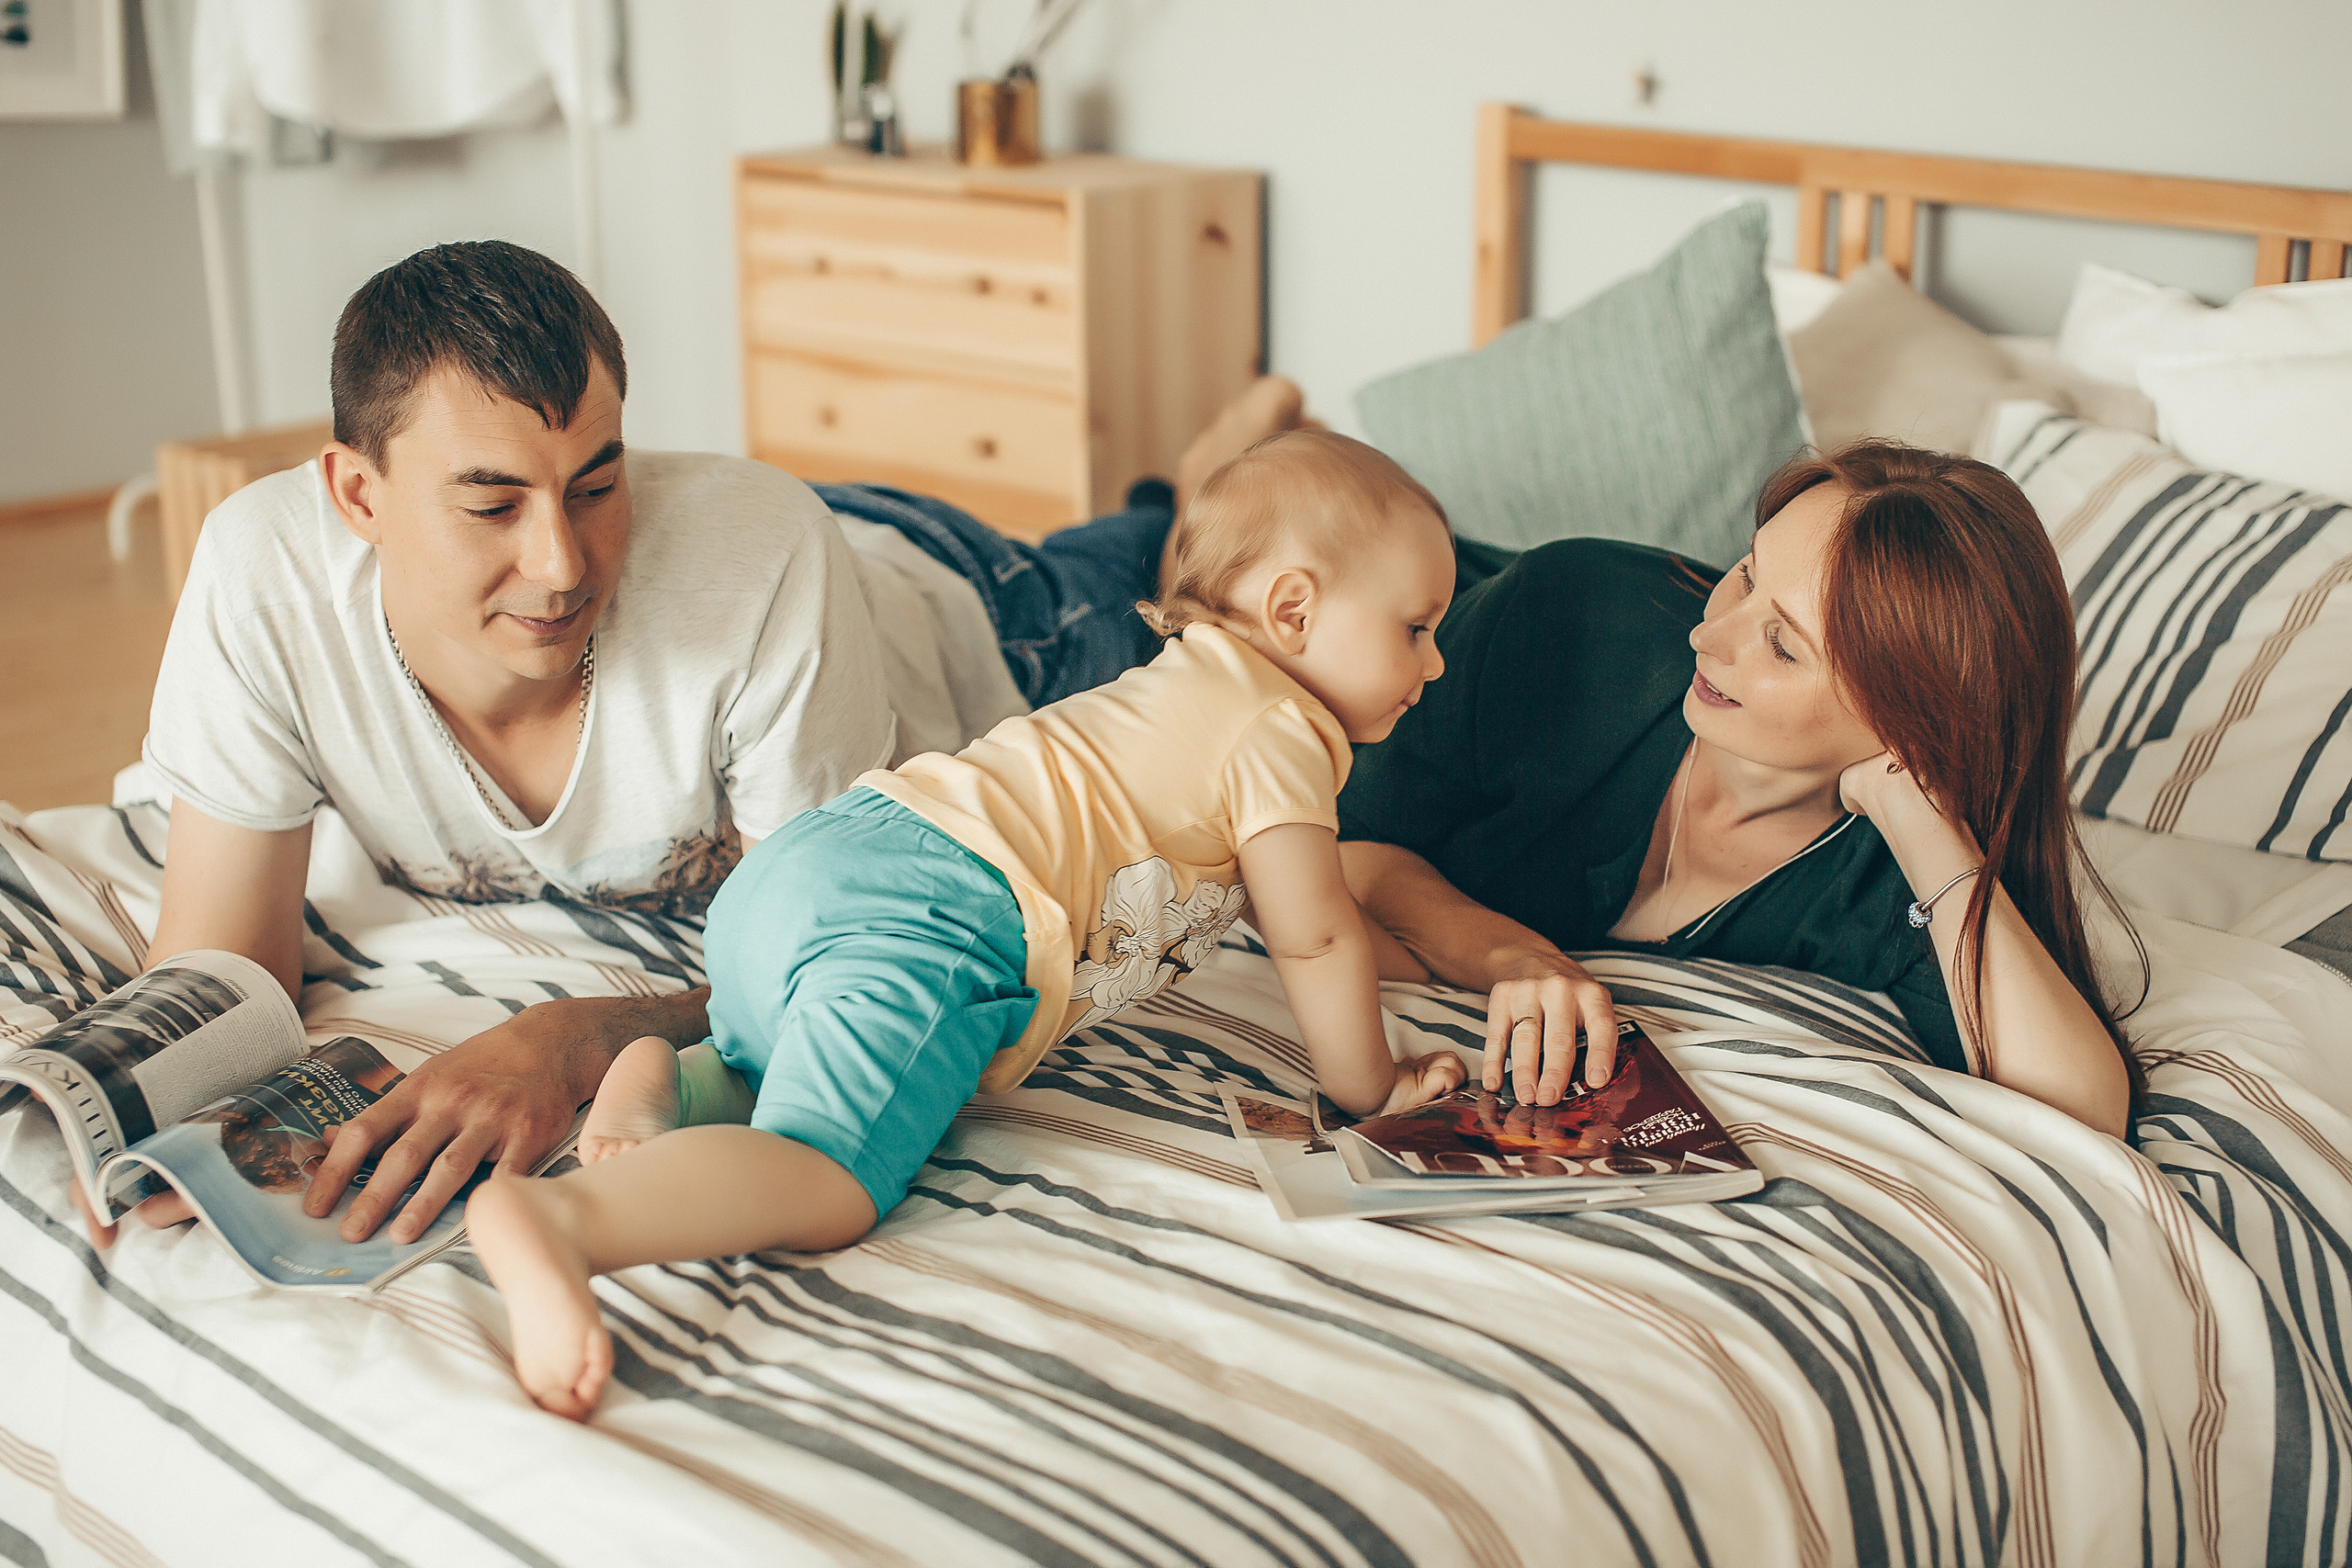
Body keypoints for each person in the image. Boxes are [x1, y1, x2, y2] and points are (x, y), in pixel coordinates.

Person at [87, 239, 1321, 1248]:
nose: (562, 564)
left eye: (595, 482)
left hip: (969, 608)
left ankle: (1194, 481)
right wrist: (160, 1133)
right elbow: (221, 961)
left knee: (1164, 594)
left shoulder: (757, 562)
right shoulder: (263, 578)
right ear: (357, 495)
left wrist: (571, 1038)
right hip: (818, 580)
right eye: (490, 503)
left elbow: (835, 959)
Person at [465, 429, 1470, 1419]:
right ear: (1293, 609)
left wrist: (1430, 961)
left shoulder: (1181, 685)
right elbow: (1315, 935)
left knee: (781, 1071)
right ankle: (567, 1222)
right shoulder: (1283, 728)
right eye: (1417, 628)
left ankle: (677, 1082)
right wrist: (1370, 1086)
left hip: (820, 863)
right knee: (826, 1178)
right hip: (939, 916)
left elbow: (1316, 913)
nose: (1431, 666)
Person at [1338, 442, 2141, 1140]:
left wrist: (1919, 816)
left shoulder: (1896, 873)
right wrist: (1521, 957)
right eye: (1746, 573)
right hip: (1374, 611)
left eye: (1782, 644)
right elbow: (1345, 848)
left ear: (1907, 720)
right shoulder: (1566, 620)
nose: (1709, 634)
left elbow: (2082, 1110)